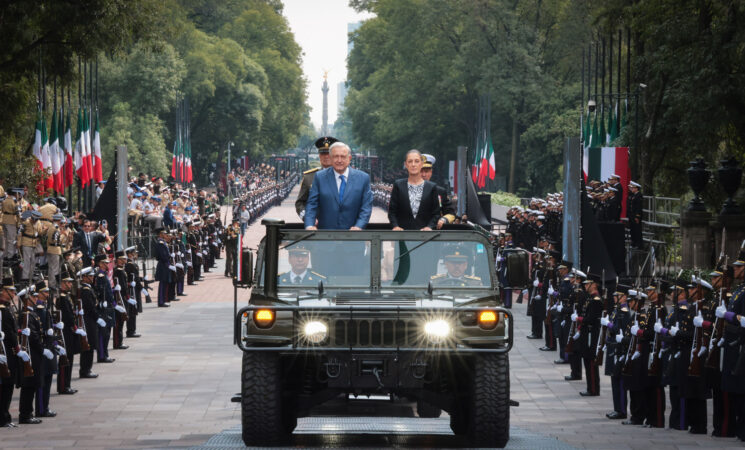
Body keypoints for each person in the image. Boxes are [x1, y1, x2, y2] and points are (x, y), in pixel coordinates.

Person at [304, 142, 372, 230]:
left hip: (354, 236)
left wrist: (359, 226)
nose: (339, 160)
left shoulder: (363, 178)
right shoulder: (319, 177)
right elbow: (311, 204)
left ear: (349, 158)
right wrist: (309, 225)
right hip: (325, 237)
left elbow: (366, 207)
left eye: (343, 157)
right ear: (330, 158)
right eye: (336, 156)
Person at [387, 149, 440, 230]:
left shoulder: (431, 187)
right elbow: (392, 212)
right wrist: (395, 226)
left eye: (416, 161)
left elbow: (436, 213)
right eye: (410, 161)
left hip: (426, 237)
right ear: (406, 164)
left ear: (422, 164)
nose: (413, 164)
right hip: (402, 235)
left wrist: (429, 227)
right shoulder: (398, 185)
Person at [296, 136, 337, 220]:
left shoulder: (344, 175)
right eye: (323, 153)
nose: (326, 157)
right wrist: (307, 218)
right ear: (319, 156)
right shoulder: (309, 177)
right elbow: (300, 203)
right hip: (316, 226)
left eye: (329, 153)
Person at [0, 276, 20, 427]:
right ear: (3, 292)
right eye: (10, 291)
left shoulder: (7, 308)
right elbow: (9, 333)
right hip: (5, 352)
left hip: (10, 352)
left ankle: (5, 416)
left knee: (8, 386)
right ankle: (2, 417)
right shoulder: (3, 310)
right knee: (5, 386)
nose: (13, 294)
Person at [55, 271, 79, 395]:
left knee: (69, 358)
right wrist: (74, 326)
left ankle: (67, 385)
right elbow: (68, 316)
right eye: (68, 282)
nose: (70, 284)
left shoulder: (66, 296)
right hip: (65, 332)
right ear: (63, 284)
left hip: (69, 331)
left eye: (70, 282)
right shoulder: (62, 298)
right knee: (65, 360)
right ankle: (63, 386)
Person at [420, 154, 456, 228]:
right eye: (421, 171)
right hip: (413, 232)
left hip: (435, 232)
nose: (423, 175)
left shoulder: (440, 191)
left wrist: (443, 220)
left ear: (431, 172)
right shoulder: (407, 190)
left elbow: (451, 213)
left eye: (426, 171)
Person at [77, 267, 99, 379]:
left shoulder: (88, 288)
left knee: (90, 346)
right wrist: (97, 317)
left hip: (91, 320)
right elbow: (90, 307)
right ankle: (85, 370)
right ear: (84, 278)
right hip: (88, 321)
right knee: (88, 346)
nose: (92, 278)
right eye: (90, 276)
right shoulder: (85, 290)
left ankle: (87, 369)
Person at [154, 228, 172, 307]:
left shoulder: (163, 242)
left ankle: (164, 300)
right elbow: (163, 255)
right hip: (163, 264)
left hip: (165, 264)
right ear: (160, 234)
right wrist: (168, 258)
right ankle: (161, 301)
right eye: (164, 233)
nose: (165, 235)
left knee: (165, 283)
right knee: (162, 283)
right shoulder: (160, 243)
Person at [628, 181, 643, 248]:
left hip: (636, 216)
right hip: (631, 216)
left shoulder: (639, 196)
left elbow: (638, 207)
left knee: (637, 230)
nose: (632, 189)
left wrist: (637, 216)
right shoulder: (633, 195)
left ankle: (639, 244)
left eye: (633, 188)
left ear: (636, 188)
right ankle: (633, 242)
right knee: (632, 230)